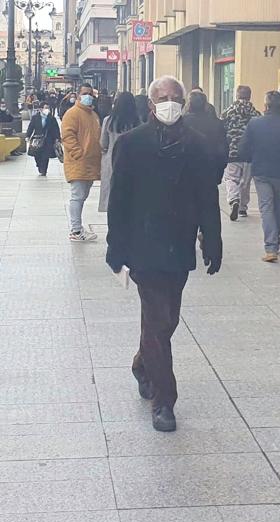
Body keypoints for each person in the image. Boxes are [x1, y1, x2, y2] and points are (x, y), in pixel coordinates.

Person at [105, 75, 222, 433]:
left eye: (175, 97)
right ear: (151, 104)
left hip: (179, 245)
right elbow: (118, 199)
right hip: (144, 246)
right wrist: (116, 245)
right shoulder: (131, 143)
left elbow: (208, 198)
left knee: (166, 319)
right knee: (158, 320)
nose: (169, 102)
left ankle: (143, 364)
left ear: (183, 103)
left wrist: (213, 241)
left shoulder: (198, 145)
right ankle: (164, 401)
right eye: (162, 97)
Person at [238, 90, 280, 262]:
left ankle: (271, 246)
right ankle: (274, 242)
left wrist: (251, 158)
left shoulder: (254, 124)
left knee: (266, 208)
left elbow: (243, 149)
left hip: (260, 172)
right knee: (277, 209)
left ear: (266, 106)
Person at [61, 84, 102, 242]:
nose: (88, 96)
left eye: (91, 93)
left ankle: (77, 228)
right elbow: (67, 136)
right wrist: (79, 154)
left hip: (91, 163)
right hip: (78, 162)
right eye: (85, 93)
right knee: (77, 196)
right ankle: (76, 230)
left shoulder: (93, 115)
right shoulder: (72, 114)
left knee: (82, 196)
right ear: (78, 96)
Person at [220, 85, 261, 221]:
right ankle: (243, 208)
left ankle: (234, 200)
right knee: (245, 182)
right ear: (249, 96)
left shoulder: (227, 112)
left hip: (232, 152)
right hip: (249, 153)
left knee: (231, 178)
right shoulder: (256, 114)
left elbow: (221, 130)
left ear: (236, 96)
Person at [99, 92, 140, 212]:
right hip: (132, 163)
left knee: (111, 196)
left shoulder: (108, 121)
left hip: (111, 161)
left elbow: (103, 143)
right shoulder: (136, 122)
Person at [183, 90, 228, 185]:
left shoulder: (182, 122)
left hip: (186, 175)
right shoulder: (217, 123)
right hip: (210, 173)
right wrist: (218, 174)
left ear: (189, 104)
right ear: (205, 104)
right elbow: (223, 151)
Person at [25, 102, 60, 176]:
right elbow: (31, 127)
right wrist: (27, 136)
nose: (47, 109)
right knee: (36, 154)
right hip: (37, 139)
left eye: (48, 108)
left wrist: (57, 138)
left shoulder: (51, 118)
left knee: (45, 155)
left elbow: (56, 129)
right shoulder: (35, 117)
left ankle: (44, 170)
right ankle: (39, 165)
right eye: (45, 108)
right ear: (40, 109)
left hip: (48, 139)